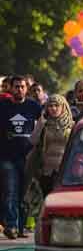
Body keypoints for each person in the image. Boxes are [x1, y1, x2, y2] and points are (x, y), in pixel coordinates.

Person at [0, 76, 42, 239]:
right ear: (10, 88)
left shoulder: (33, 106)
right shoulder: (3, 106)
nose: (19, 90)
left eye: (22, 87)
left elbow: (43, 122)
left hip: (28, 158)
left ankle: (21, 227)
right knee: (11, 190)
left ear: (26, 88)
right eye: (16, 87)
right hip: (7, 157)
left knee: (25, 194)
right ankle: (11, 226)